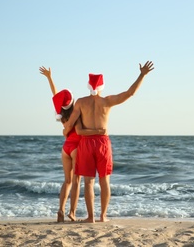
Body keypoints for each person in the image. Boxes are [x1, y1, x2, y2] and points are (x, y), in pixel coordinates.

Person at [63, 61, 155, 223]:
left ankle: (90, 217)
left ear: (88, 86)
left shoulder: (80, 102)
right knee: (104, 180)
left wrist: (65, 131)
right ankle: (103, 216)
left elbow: (70, 124)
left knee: (88, 182)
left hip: (85, 143)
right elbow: (129, 93)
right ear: (101, 87)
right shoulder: (106, 102)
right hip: (102, 143)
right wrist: (142, 75)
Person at [39, 66, 106, 222]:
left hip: (65, 148)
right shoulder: (78, 111)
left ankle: (60, 210)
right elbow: (80, 130)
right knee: (76, 181)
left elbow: (56, 95)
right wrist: (99, 131)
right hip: (77, 148)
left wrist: (50, 78)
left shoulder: (61, 114)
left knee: (67, 181)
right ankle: (72, 212)